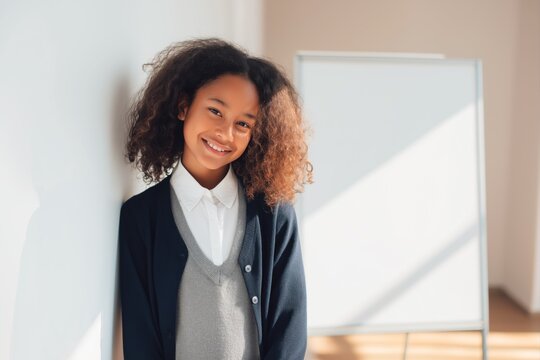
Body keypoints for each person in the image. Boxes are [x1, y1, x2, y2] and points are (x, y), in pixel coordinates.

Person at [118, 37, 314, 360]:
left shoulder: (273, 216)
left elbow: (289, 329)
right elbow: (141, 339)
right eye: (215, 111)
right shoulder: (141, 218)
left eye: (242, 124)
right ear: (183, 106)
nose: (226, 133)